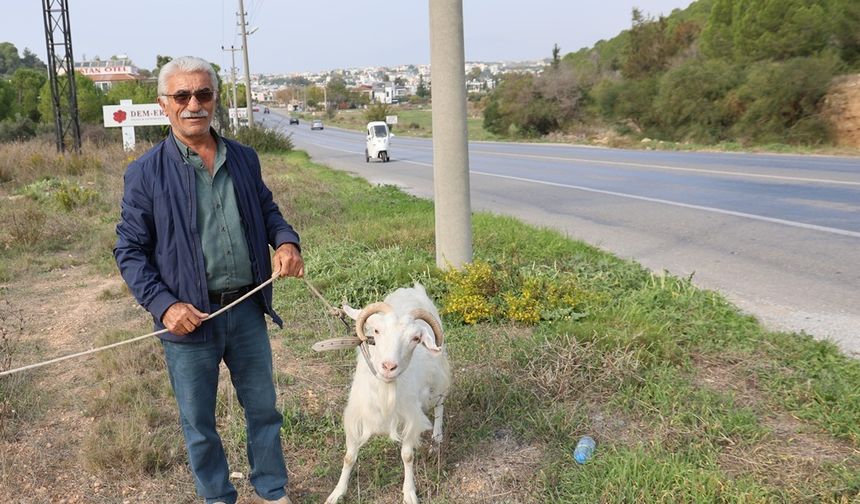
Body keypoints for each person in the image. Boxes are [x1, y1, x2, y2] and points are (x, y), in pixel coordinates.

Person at [114, 56, 302, 504]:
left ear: (215, 99)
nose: (193, 104)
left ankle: (273, 491)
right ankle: (217, 497)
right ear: (165, 104)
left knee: (263, 410)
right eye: (182, 95)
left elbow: (267, 210)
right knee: (199, 423)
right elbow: (129, 250)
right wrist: (165, 306)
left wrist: (286, 241)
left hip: (246, 310)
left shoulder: (243, 158)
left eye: (203, 94)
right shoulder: (145, 173)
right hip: (189, 321)